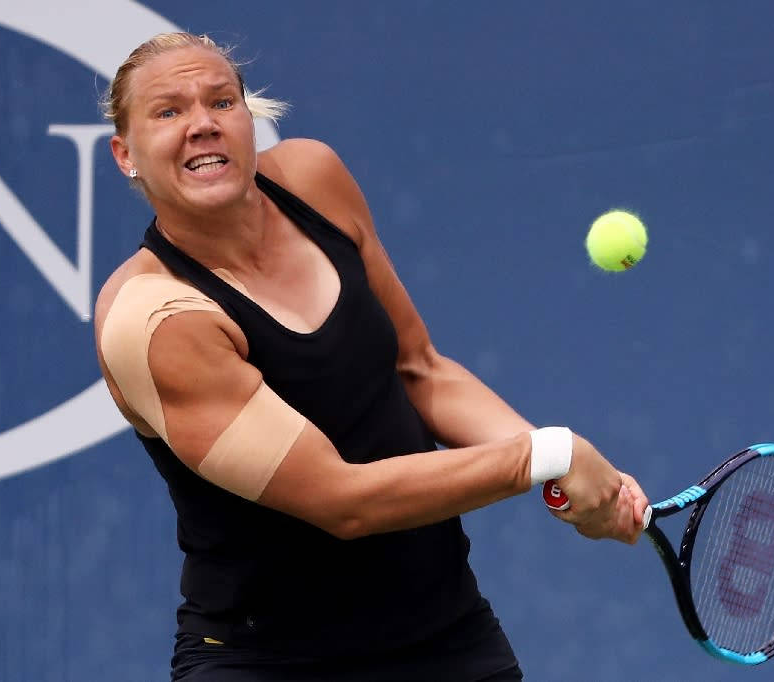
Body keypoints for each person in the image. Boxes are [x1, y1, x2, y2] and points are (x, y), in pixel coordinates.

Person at [93, 32, 649, 682]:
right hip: (268, 665)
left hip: (447, 636)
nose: (202, 125)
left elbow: (421, 370)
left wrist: (572, 482)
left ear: (249, 122)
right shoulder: (154, 317)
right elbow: (341, 501)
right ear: (124, 154)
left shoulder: (313, 179)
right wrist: (547, 455)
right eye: (168, 112)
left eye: (222, 101)